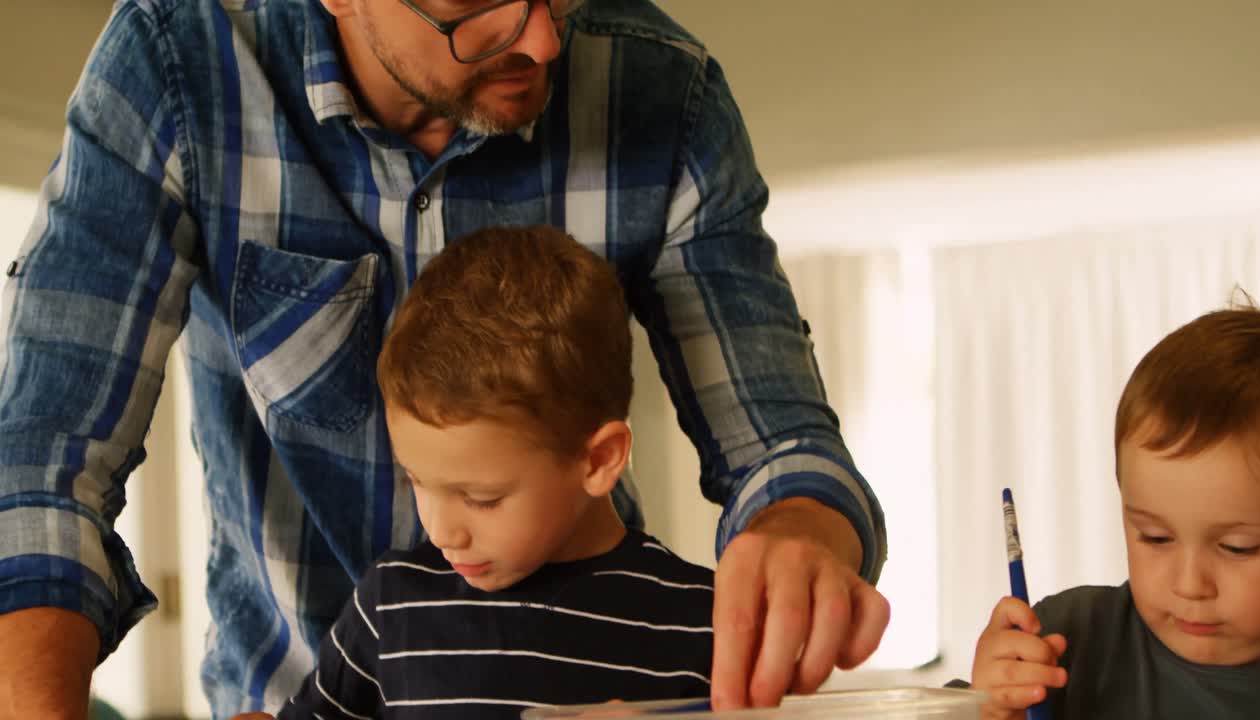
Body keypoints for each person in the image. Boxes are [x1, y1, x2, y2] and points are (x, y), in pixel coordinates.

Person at [0, 0, 889, 717]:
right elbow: (42, 471)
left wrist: (800, 534)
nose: (543, 39)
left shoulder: (667, 89)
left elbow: (780, 445)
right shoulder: (178, 59)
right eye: (475, 11)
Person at [271, 225, 714, 718]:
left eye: (481, 498)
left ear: (599, 459)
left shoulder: (703, 622)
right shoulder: (389, 606)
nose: (441, 532)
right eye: (416, 480)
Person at [969, 305, 1260, 719]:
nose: (1190, 585)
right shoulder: (1066, 640)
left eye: (1237, 547)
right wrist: (987, 709)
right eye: (1155, 537)